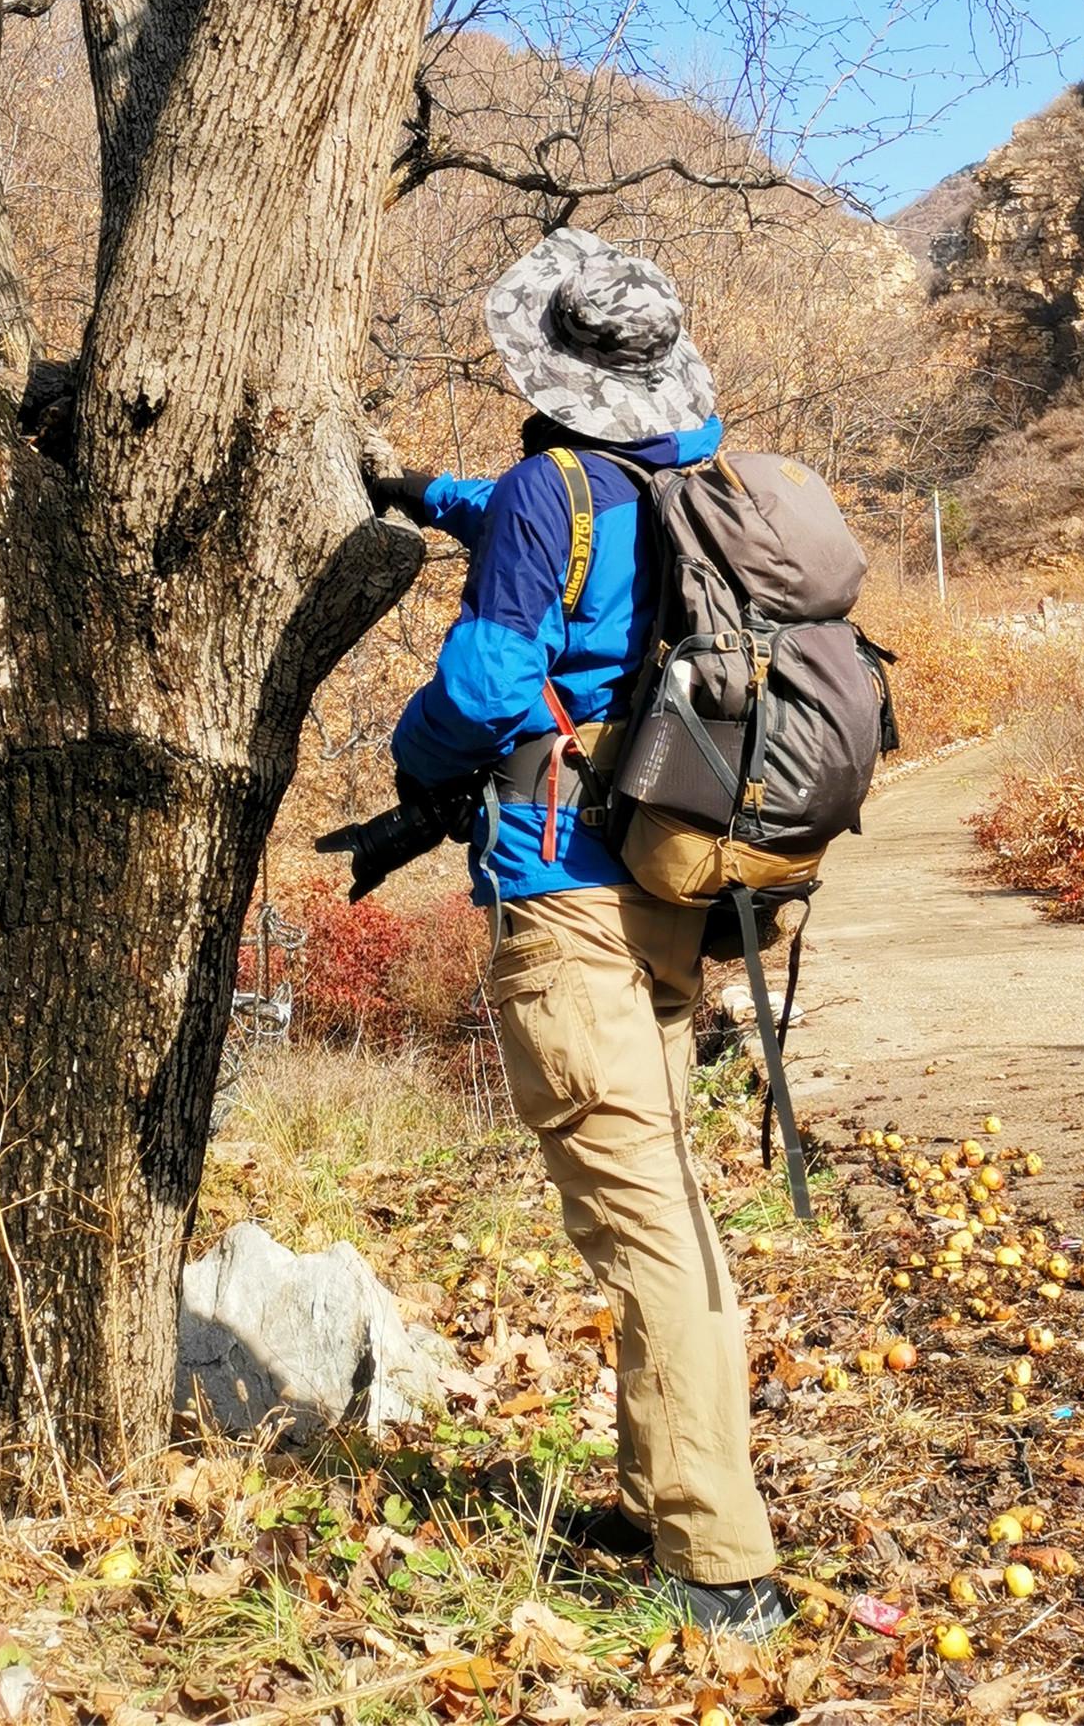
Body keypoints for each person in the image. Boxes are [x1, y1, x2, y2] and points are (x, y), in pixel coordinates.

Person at [376, 227, 786, 1638]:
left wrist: (405, 753)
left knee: (644, 1223)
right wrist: (423, 492)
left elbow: (488, 680)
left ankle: (720, 1560)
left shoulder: (557, 487)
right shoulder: (696, 481)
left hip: (568, 897)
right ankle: (651, 1489)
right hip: (678, 887)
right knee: (665, 1184)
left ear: (540, 369)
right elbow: (527, 520)